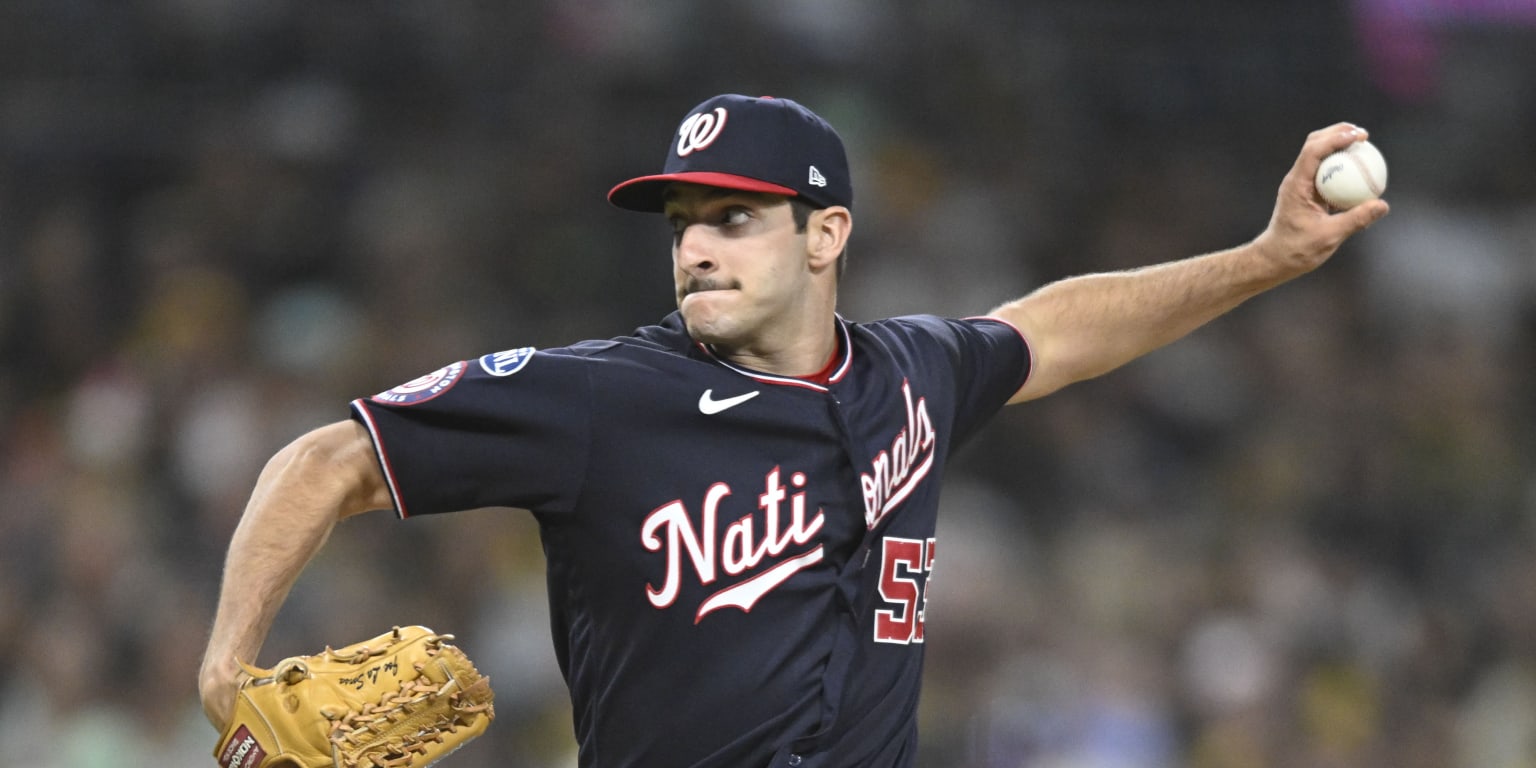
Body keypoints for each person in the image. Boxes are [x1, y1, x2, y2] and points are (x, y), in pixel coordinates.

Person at [198, 94, 1389, 767]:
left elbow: (1056, 328)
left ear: (826, 236)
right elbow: (329, 459)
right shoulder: (602, 398)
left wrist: (1265, 259)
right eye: (681, 222)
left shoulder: (916, 376)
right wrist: (225, 665)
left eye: (735, 218)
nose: (695, 245)